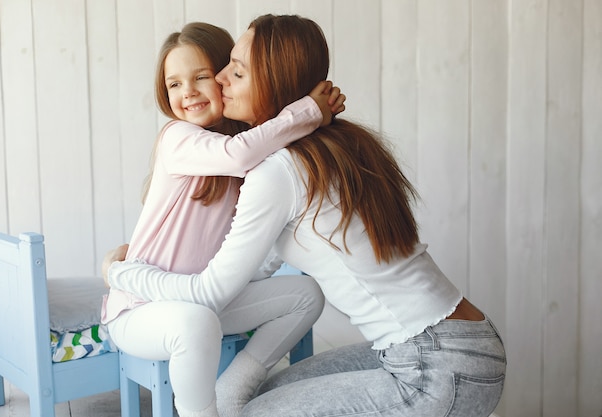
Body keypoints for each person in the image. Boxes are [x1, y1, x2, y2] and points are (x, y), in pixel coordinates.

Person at [104, 14, 506, 417]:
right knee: (248, 396)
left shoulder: (278, 171)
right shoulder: (326, 146)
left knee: (248, 411)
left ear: (272, 85)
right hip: (448, 347)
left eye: (237, 71)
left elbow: (211, 292)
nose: (222, 78)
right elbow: (257, 264)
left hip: (436, 364)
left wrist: (120, 273)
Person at [101, 22, 344, 417]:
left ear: (224, 78)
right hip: (142, 307)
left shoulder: (252, 150)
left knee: (306, 295)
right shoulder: (178, 138)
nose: (188, 92)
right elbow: (238, 154)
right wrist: (308, 111)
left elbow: (255, 238)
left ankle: (236, 388)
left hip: (203, 297)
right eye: (174, 84)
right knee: (195, 322)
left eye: (199, 77)